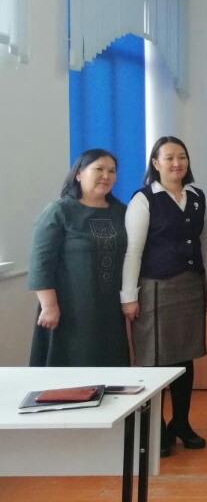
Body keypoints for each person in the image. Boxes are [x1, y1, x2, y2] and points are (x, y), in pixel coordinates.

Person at [121, 136, 207, 456]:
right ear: (155, 163)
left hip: (190, 287)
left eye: (182, 157)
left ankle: (181, 423)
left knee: (185, 359)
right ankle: (156, 427)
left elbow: (205, 242)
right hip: (155, 288)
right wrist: (129, 296)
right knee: (155, 360)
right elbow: (133, 251)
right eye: (169, 158)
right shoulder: (144, 199)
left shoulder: (196, 196)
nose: (177, 163)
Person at [28, 149, 128, 368]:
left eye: (112, 171)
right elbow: (41, 263)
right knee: (73, 369)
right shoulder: (59, 210)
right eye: (99, 169)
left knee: (111, 368)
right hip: (70, 307)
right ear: (79, 174)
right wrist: (49, 306)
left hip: (110, 307)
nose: (106, 176)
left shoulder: (121, 211)